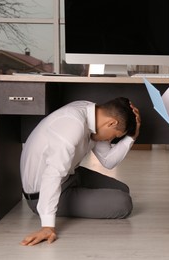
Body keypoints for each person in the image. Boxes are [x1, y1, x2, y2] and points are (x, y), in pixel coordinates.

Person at [20, 97, 141, 246]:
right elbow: (53, 174)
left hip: (70, 174)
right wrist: (47, 226)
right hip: (41, 193)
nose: (111, 139)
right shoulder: (72, 125)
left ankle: (81, 196)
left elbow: (108, 161)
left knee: (123, 189)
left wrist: (131, 136)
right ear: (112, 123)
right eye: (115, 136)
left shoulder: (92, 114)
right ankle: (49, 209)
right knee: (124, 204)